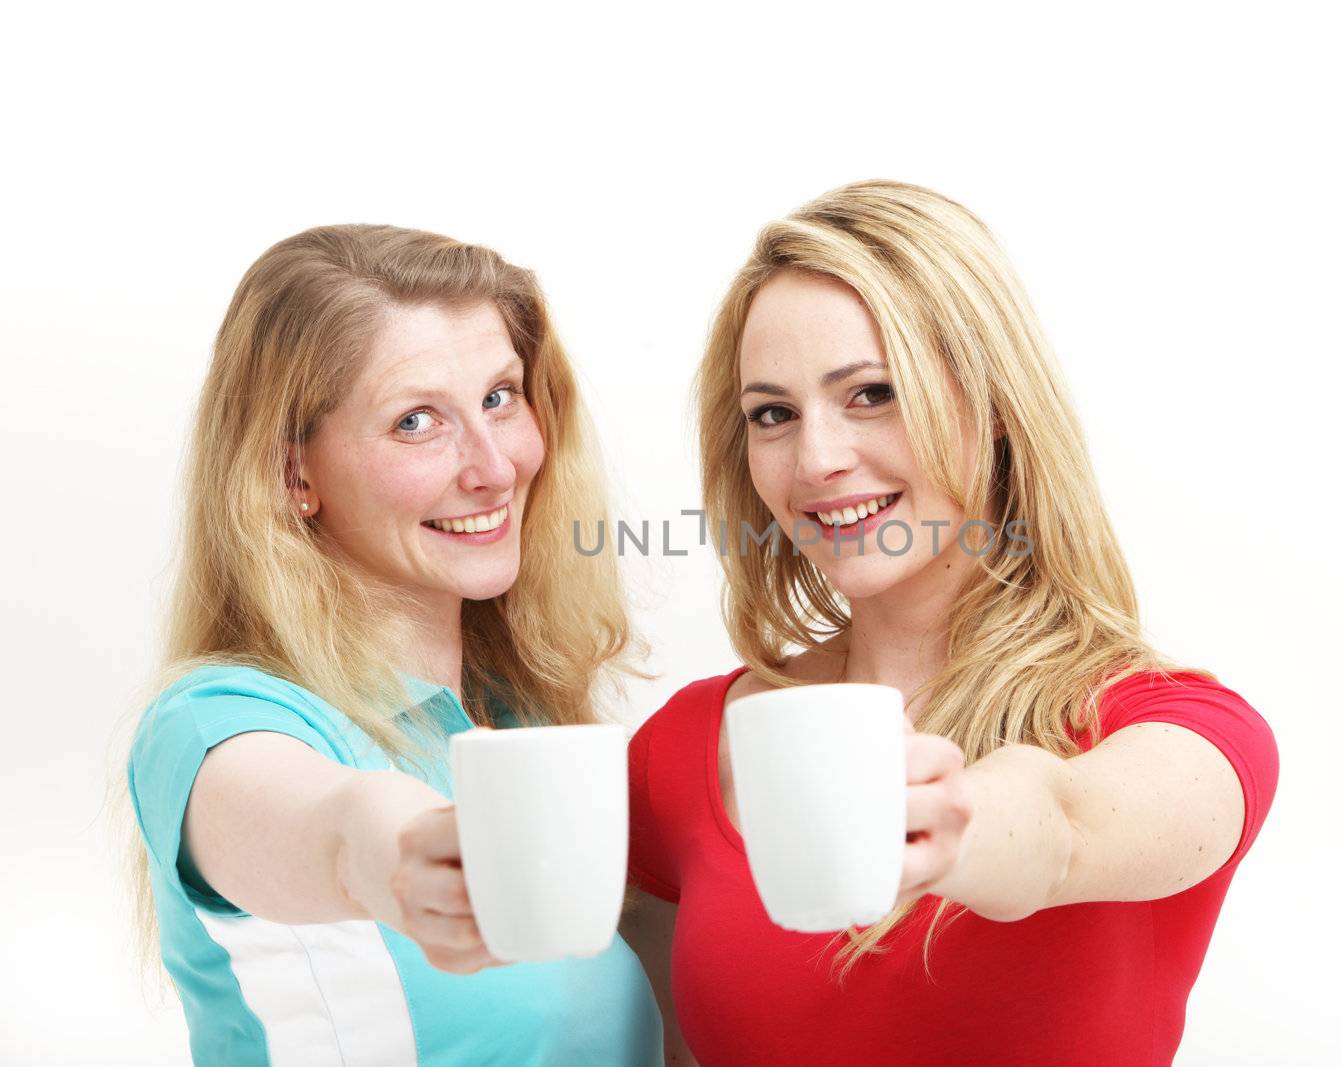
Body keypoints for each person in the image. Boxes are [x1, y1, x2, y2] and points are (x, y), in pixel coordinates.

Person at [622, 182, 1279, 1066]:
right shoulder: (686, 749)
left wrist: (955, 822)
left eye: (872, 393)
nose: (817, 459)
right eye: (773, 413)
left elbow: (1063, 828)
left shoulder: (1182, 733)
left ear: (996, 410)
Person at [126, 225, 662, 1065]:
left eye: (500, 397)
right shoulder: (213, 728)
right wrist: (393, 846)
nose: (493, 465)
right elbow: (335, 825)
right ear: (292, 473)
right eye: (417, 421)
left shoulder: (516, 720)